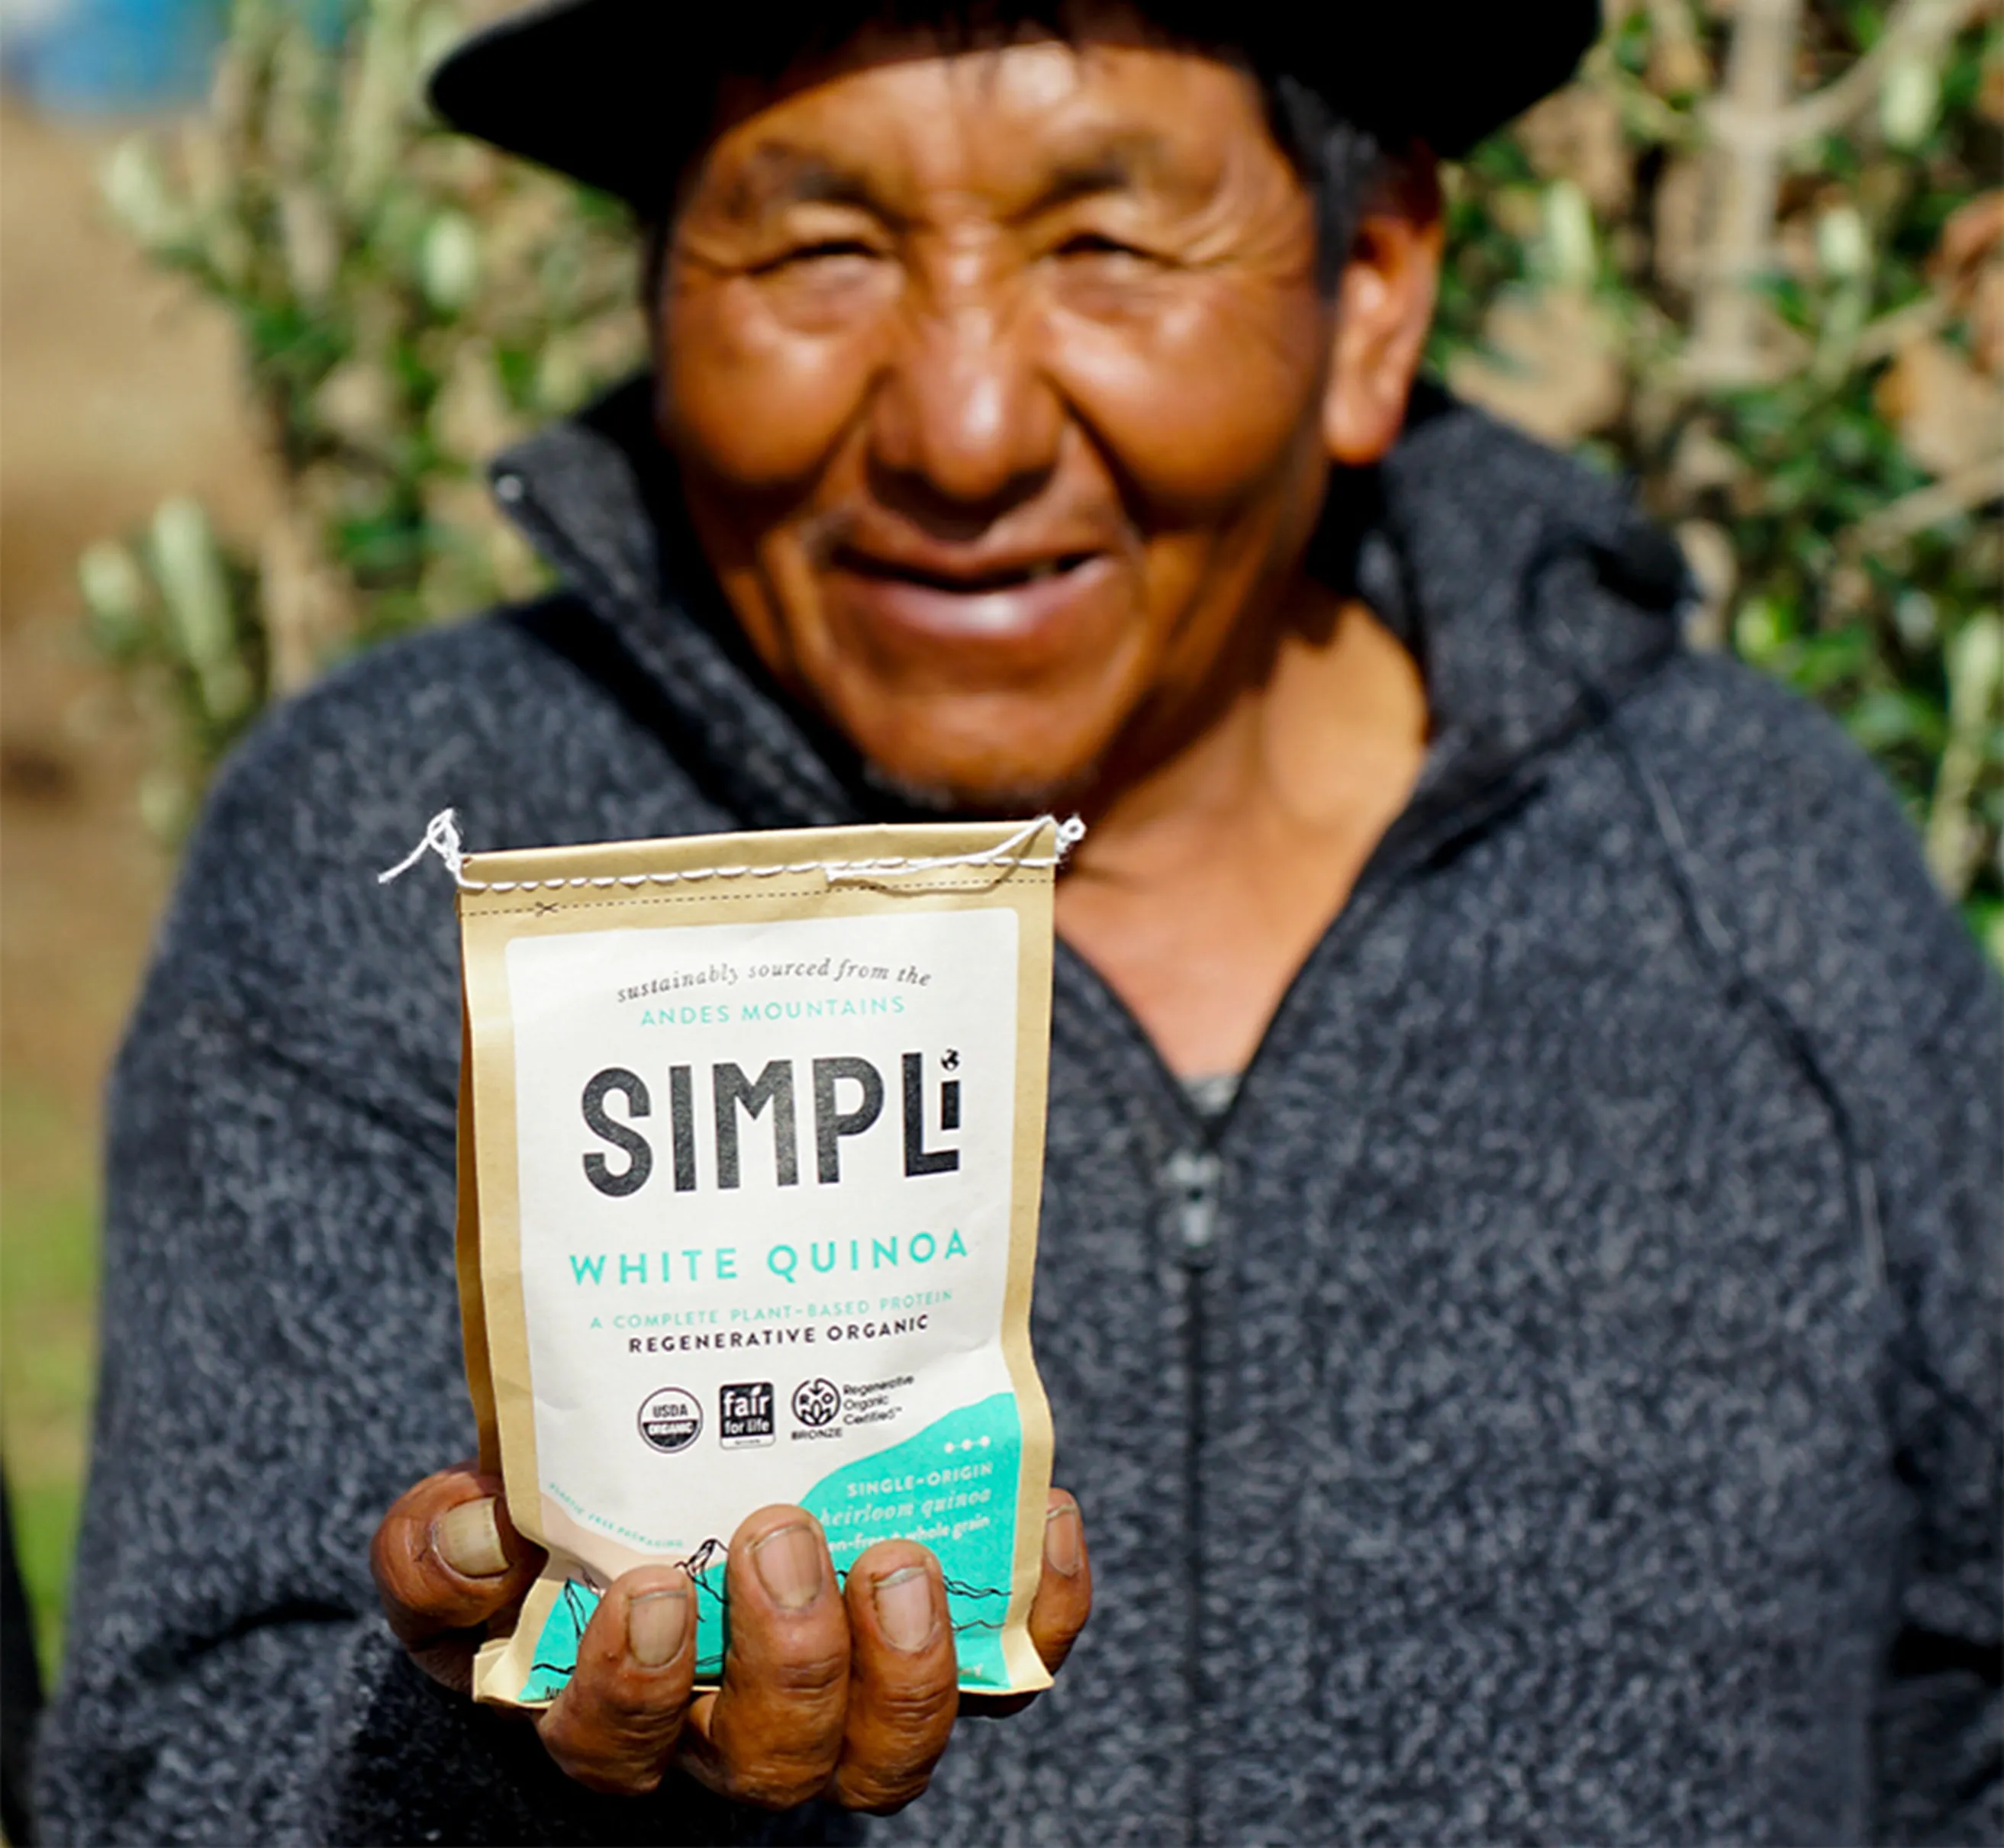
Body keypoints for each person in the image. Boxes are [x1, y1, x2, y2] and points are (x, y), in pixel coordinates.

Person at [33, 0, 2002, 1841]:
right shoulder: (408, 856)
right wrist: (515, 1781)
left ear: (1377, 288)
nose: (960, 433)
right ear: (654, 291)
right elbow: (171, 1770)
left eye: (1108, 247)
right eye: (817, 252)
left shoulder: (1756, 876)